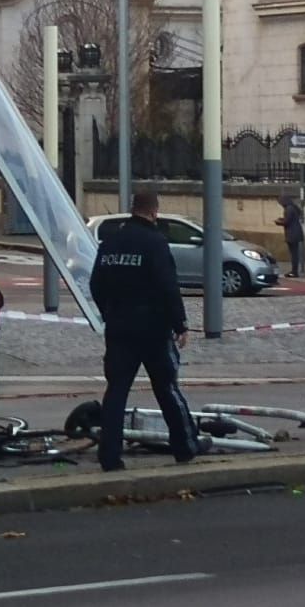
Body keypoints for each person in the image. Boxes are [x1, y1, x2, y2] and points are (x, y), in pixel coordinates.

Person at [90, 189, 203, 470]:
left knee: (116, 393)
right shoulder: (155, 242)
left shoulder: (111, 241)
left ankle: (109, 456)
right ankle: (185, 447)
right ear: (154, 212)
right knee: (167, 388)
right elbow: (168, 286)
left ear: (132, 209)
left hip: (118, 328)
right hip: (153, 329)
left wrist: (110, 312)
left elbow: (95, 284)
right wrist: (180, 324)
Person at [277, 195, 305, 278]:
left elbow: (287, 222)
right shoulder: (293, 208)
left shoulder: (289, 209)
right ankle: (294, 271)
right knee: (295, 253)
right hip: (296, 232)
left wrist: (278, 222)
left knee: (294, 254)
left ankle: (294, 271)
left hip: (292, 233)